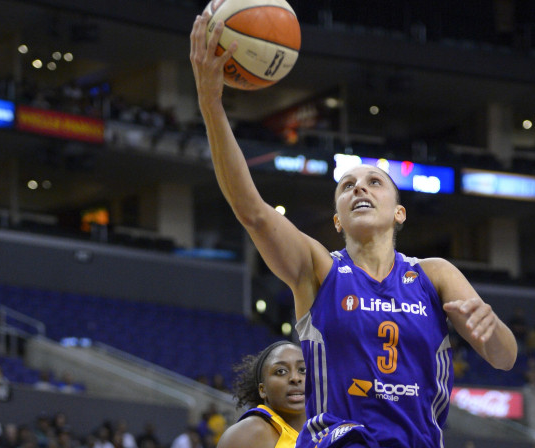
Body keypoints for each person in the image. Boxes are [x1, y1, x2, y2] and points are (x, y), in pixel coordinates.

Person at [190, 12, 518, 448]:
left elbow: (504, 359)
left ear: (399, 213)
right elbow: (252, 210)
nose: (359, 187)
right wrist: (211, 103)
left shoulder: (434, 274)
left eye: (374, 182)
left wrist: (490, 329)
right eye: (347, 186)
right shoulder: (319, 269)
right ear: (337, 220)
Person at [217, 341, 305, 448]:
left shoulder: (321, 431)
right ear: (263, 390)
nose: (295, 378)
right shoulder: (249, 433)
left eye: (303, 370)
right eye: (281, 371)